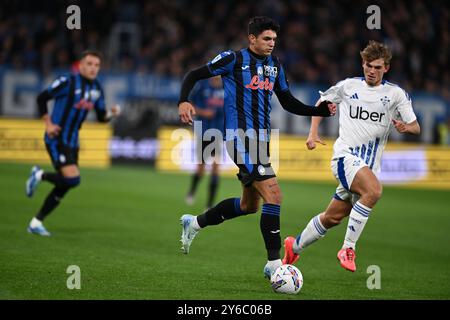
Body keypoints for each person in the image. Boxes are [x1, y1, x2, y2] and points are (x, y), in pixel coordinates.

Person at [177, 16, 336, 278]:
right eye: (266, 38)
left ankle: (193, 223)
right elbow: (194, 74)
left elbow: (287, 101)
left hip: (261, 142)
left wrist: (317, 111)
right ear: (252, 39)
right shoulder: (233, 59)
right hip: (238, 138)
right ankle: (274, 265)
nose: (272, 43)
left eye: (274, 39)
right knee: (274, 196)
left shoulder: (275, 65)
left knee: (249, 205)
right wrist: (184, 100)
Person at [282, 41, 421, 272]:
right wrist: (312, 133)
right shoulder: (348, 86)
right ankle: (348, 248)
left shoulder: (395, 94)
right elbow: (322, 103)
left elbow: (416, 126)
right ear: (362, 64)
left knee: (332, 218)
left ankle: (293, 248)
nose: (371, 71)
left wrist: (406, 128)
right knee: (374, 191)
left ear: (386, 67)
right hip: (344, 157)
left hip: (368, 166)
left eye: (377, 67)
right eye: (368, 65)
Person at [25, 50, 121, 236]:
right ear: (81, 65)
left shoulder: (97, 89)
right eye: (89, 64)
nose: (93, 68)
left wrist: (111, 113)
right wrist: (48, 124)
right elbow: (42, 98)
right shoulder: (67, 81)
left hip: (72, 141)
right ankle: (39, 175)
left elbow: (101, 117)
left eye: (97, 65)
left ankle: (36, 223)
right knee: (72, 179)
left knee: (66, 184)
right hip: (56, 138)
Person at [185, 76, 225, 211]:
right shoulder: (202, 86)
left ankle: (209, 204)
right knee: (201, 168)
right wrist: (203, 112)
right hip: (204, 131)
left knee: (215, 167)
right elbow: (191, 106)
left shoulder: (227, 87)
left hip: (219, 133)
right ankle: (192, 190)